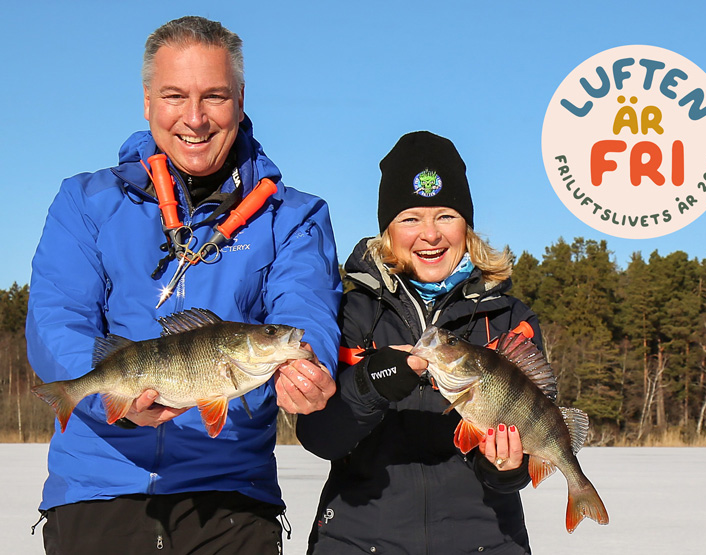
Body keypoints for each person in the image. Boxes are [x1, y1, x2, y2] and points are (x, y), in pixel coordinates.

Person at [26, 16, 341, 555]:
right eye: (174, 95)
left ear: (240, 100)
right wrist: (113, 396)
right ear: (147, 101)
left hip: (232, 503)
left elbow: (305, 308)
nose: (194, 119)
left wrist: (310, 365)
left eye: (214, 96)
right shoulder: (85, 201)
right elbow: (57, 321)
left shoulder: (293, 216)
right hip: (98, 492)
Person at [296, 130, 544, 554]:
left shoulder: (509, 319)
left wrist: (505, 466)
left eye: (445, 215)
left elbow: (525, 450)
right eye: (411, 218)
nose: (430, 235)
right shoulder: (349, 316)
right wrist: (374, 383)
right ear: (387, 230)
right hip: (357, 543)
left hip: (485, 542)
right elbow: (322, 438)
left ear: (466, 225)